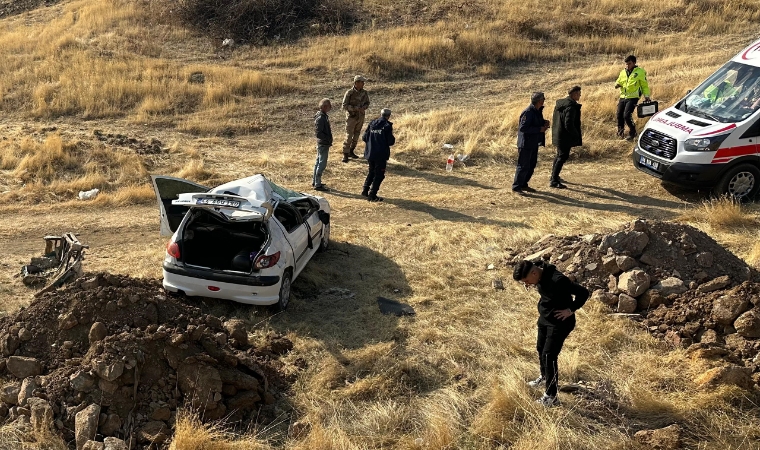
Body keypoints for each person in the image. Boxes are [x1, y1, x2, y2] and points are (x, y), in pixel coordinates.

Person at [513, 259, 589, 407]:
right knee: (540, 349)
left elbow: (583, 293)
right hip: (545, 318)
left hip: (560, 323)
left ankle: (551, 396)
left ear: (534, 273)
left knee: (549, 355)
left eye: (527, 281)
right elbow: (537, 262)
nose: (527, 285)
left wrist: (570, 310)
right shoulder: (538, 271)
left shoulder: (558, 280)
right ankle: (544, 376)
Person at [512, 92, 550, 195]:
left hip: (533, 142)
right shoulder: (528, 112)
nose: (544, 101)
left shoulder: (537, 111)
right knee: (523, 165)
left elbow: (536, 122)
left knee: (531, 165)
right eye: (543, 99)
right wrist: (539, 129)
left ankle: (524, 184)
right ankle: (516, 187)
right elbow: (523, 128)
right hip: (526, 144)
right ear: (539, 101)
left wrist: (544, 122)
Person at [550, 86, 583, 189]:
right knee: (562, 157)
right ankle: (554, 181)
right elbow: (568, 124)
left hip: (558, 134)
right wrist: (575, 134)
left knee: (559, 155)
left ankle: (553, 176)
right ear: (572, 94)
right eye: (578, 93)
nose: (580, 95)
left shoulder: (561, 103)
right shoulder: (571, 106)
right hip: (565, 136)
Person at [361, 108, 395, 202]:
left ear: (381, 114)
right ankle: (372, 195)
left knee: (371, 171)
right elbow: (390, 141)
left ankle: (365, 190)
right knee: (379, 174)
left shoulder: (372, 123)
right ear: (388, 116)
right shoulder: (387, 126)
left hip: (370, 152)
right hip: (380, 154)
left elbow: (364, 137)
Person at [615, 55, 651, 140]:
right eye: (626, 64)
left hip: (633, 97)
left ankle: (633, 132)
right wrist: (616, 85)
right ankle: (620, 132)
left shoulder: (640, 72)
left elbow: (644, 85)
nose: (627, 66)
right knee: (619, 114)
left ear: (634, 63)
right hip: (623, 96)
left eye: (629, 63)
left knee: (627, 115)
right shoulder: (623, 72)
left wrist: (646, 96)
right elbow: (618, 81)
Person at [342, 75, 371, 163]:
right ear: (356, 83)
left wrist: (364, 108)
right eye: (362, 82)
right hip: (351, 117)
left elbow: (367, 103)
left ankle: (351, 151)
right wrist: (356, 108)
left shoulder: (364, 92)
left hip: (360, 117)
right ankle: (345, 154)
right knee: (349, 136)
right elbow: (344, 106)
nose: (363, 84)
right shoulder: (349, 93)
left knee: (357, 135)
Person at [312, 98, 333, 191]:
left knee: (318, 162)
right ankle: (318, 184)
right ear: (324, 107)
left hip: (323, 143)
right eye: (329, 106)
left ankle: (315, 181)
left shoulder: (323, 116)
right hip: (323, 144)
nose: (330, 107)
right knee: (322, 164)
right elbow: (318, 133)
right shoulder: (321, 118)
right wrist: (327, 139)